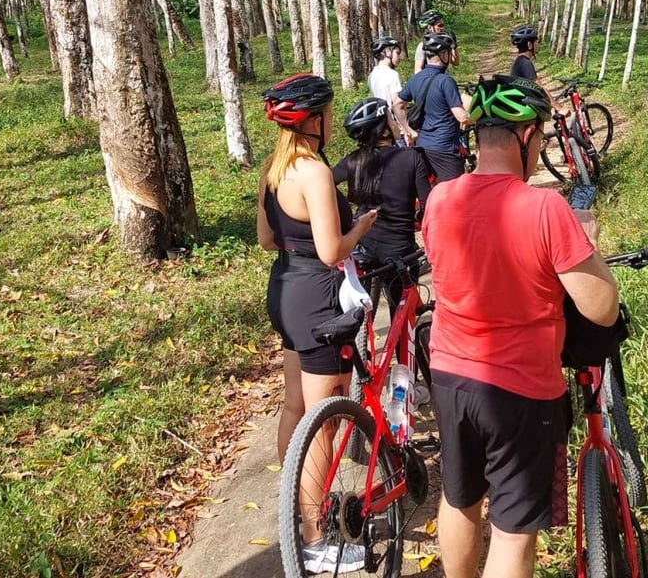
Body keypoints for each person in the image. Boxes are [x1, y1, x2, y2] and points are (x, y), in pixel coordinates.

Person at [422, 75, 620, 578]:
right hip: (521, 391)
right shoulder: (547, 208)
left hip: (449, 377)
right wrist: (587, 243)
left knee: (460, 498)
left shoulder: (441, 199)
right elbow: (601, 308)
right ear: (527, 136)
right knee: (513, 535)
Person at [257, 73, 379, 574]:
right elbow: (331, 251)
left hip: (285, 288)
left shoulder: (273, 168)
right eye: (328, 114)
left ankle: (294, 506)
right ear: (315, 121)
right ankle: (314, 537)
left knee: (295, 406)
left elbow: (267, 239)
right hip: (319, 297)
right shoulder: (314, 173)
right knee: (324, 420)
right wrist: (360, 227)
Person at [333, 97, 432, 318]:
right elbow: (430, 206)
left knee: (357, 318)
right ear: (383, 130)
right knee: (403, 318)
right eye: (392, 118)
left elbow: (325, 185)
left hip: (361, 245)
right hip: (399, 253)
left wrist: (342, 217)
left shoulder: (353, 160)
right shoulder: (411, 158)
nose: (396, 123)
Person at [395, 32, 469, 183]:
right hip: (445, 150)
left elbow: (397, 104)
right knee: (453, 192)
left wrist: (408, 131)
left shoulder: (415, 78)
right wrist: (481, 118)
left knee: (429, 191)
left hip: (422, 147)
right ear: (444, 54)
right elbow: (461, 117)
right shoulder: (446, 81)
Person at [368, 35, 415, 143]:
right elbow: (396, 105)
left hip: (381, 126)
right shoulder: (392, 74)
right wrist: (406, 131)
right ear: (387, 52)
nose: (400, 57)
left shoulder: (372, 75)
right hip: (396, 128)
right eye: (397, 53)